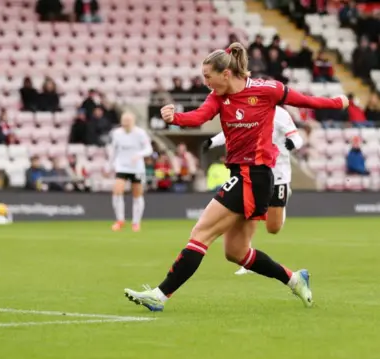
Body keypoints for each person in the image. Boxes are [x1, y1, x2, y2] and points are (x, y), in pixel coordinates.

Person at [123, 42, 348, 312]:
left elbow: (305, 101)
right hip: (242, 174)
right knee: (236, 252)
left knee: (201, 233)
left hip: (255, 176)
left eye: (208, 76)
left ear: (226, 74)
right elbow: (198, 118)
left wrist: (337, 102)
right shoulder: (218, 97)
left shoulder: (266, 90)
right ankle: (294, 279)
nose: (205, 83)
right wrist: (175, 118)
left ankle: (160, 295)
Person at [203, 106, 304, 275]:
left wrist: (293, 143)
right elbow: (230, 132)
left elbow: (296, 137)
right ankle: (246, 254)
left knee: (273, 228)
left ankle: (283, 200)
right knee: (250, 213)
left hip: (278, 175)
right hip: (255, 173)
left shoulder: (279, 113)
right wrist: (212, 142)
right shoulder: (246, 109)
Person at [110, 112, 153, 232]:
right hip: (122, 166)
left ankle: (136, 222)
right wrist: (110, 165)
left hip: (137, 168)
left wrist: (138, 155)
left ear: (133, 121)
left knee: (137, 194)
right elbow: (114, 150)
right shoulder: (117, 133)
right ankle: (120, 220)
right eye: (124, 120)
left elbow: (149, 149)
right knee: (117, 191)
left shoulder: (140, 133)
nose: (126, 122)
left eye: (128, 120)